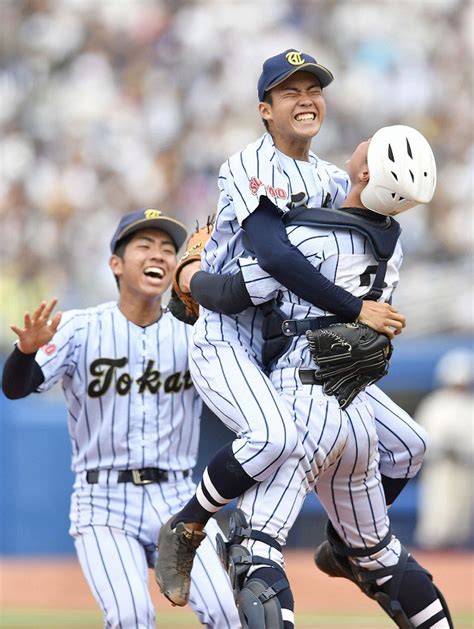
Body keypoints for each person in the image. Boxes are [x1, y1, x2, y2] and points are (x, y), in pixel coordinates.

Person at [154, 48, 409, 614]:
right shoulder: (250, 162)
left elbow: (370, 241)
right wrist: (355, 308)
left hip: (288, 339)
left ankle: (349, 546)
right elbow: (270, 254)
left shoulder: (333, 178)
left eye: (312, 89)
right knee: (275, 439)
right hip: (225, 334)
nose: (305, 100)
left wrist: (373, 304)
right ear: (265, 109)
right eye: (289, 92)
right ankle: (191, 526)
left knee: (406, 445)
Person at [173, 126, 453, 628]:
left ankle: (195, 522)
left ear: (367, 173)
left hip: (303, 400)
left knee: (254, 554)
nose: (363, 141)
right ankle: (351, 547)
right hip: (360, 415)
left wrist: (190, 276)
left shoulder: (310, 236)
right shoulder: (392, 246)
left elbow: (238, 292)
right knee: (383, 554)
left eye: (372, 144)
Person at [1, 208, 240, 629]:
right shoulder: (79, 328)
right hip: (103, 501)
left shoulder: (198, 333)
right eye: (145, 246)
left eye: (169, 249)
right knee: (131, 616)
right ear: (116, 264)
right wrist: (23, 352)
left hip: (179, 496)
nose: (160, 255)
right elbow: (18, 388)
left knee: (229, 612)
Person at [414, 348, 474, 549]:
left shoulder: (471, 406)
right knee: (436, 516)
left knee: (460, 520)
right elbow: (422, 438)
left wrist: (462, 450)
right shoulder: (434, 404)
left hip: (465, 469)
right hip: (440, 469)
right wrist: (441, 448)